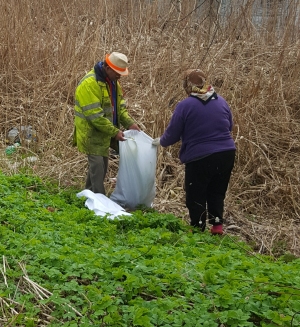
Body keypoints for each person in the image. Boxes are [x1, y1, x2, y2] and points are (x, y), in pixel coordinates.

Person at [154, 69, 236, 234]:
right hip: (227, 153)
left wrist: (160, 141)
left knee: (196, 193)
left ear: (187, 85)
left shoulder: (185, 106)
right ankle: (217, 227)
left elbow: (173, 134)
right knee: (217, 191)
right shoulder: (221, 101)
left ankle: (197, 228)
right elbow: (230, 126)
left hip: (201, 157)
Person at [74, 51, 140, 194]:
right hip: (90, 133)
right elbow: (95, 116)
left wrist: (130, 123)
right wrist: (115, 132)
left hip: (104, 133)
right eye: (117, 72)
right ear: (108, 68)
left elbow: (120, 109)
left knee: (100, 166)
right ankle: (99, 201)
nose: (119, 76)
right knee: (98, 167)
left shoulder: (113, 83)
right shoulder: (89, 84)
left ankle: (88, 195)